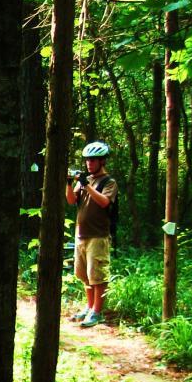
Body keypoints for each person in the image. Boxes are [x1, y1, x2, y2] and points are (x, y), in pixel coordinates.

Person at [66, 140, 118, 328]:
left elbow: (104, 202)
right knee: (84, 275)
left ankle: (97, 312)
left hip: (98, 235)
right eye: (87, 160)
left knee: (97, 275)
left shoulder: (108, 182)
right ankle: (89, 307)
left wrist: (86, 185)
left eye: (93, 160)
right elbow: (71, 201)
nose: (89, 163)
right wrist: (69, 183)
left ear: (102, 161)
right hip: (81, 235)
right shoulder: (85, 180)